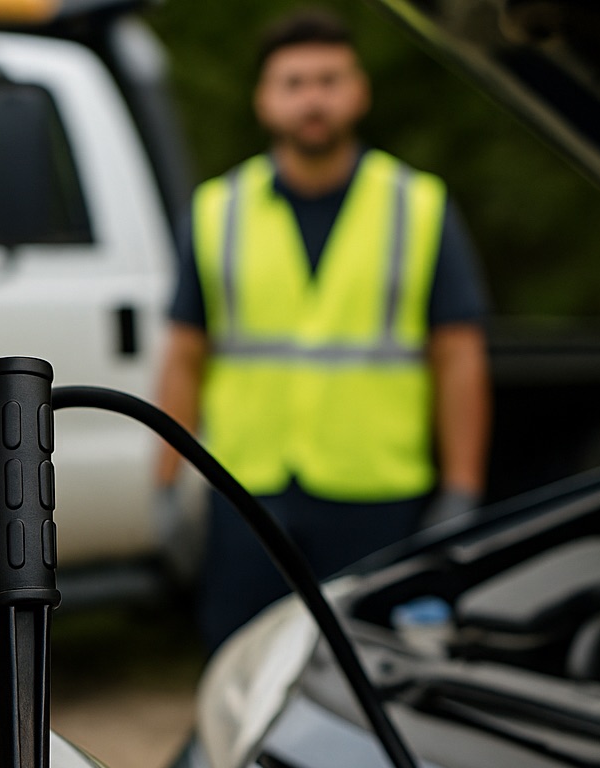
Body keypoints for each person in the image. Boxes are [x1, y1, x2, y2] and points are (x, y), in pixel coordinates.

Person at [156, 8, 491, 650]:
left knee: (367, 669)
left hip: (377, 495)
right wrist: (166, 485)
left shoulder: (417, 206)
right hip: (245, 494)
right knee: (241, 665)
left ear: (359, 91)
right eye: (295, 82)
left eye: (329, 80)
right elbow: (183, 357)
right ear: (263, 99)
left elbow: (459, 358)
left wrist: (462, 488)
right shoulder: (216, 210)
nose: (313, 98)